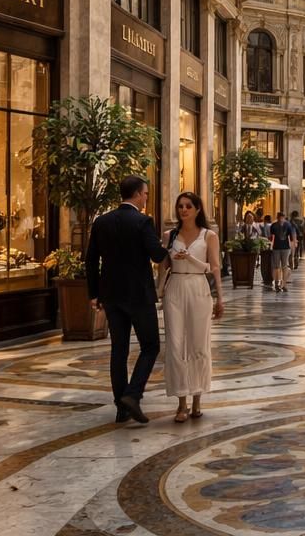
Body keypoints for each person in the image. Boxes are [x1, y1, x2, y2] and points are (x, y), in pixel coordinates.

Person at [86, 176, 168, 425]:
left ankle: (121, 408)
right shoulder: (142, 222)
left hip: (111, 295)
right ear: (136, 194)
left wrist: (94, 293)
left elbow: (91, 260)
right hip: (138, 295)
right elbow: (157, 255)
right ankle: (132, 395)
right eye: (145, 194)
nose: (146, 199)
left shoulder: (102, 221)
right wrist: (169, 244)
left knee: (118, 351)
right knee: (150, 345)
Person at [158, 192, 223, 423]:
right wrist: (159, 289)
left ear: (197, 209)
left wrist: (220, 299)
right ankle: (181, 403)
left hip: (198, 287)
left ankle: (197, 400)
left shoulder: (209, 236)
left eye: (187, 206)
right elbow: (163, 266)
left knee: (198, 344)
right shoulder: (169, 235)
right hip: (175, 287)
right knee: (175, 346)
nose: (183, 210)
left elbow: (213, 267)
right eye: (180, 206)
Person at [268, 212, 295, 292]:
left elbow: (291, 237)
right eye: (280, 217)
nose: (281, 219)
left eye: (282, 217)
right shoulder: (274, 225)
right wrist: (271, 245)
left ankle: (284, 284)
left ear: (284, 217)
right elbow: (272, 237)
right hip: (277, 248)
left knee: (284, 266)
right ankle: (277, 283)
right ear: (278, 217)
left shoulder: (288, 225)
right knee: (277, 266)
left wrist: (292, 245)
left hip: (285, 248)